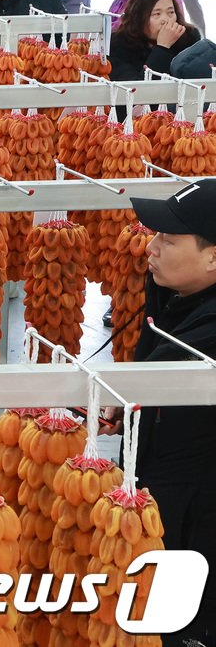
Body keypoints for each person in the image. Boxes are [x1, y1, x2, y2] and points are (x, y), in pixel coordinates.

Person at [118, 179, 216, 647]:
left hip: (194, 520)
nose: (150, 249)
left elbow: (151, 377)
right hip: (161, 500)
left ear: (214, 257)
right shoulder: (181, 299)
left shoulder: (208, 331)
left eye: (168, 240)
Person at [108, 0, 201, 83]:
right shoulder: (117, 45)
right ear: (138, 18)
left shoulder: (189, 39)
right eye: (157, 14)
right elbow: (138, 90)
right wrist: (163, 47)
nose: (166, 20)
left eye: (171, 12)